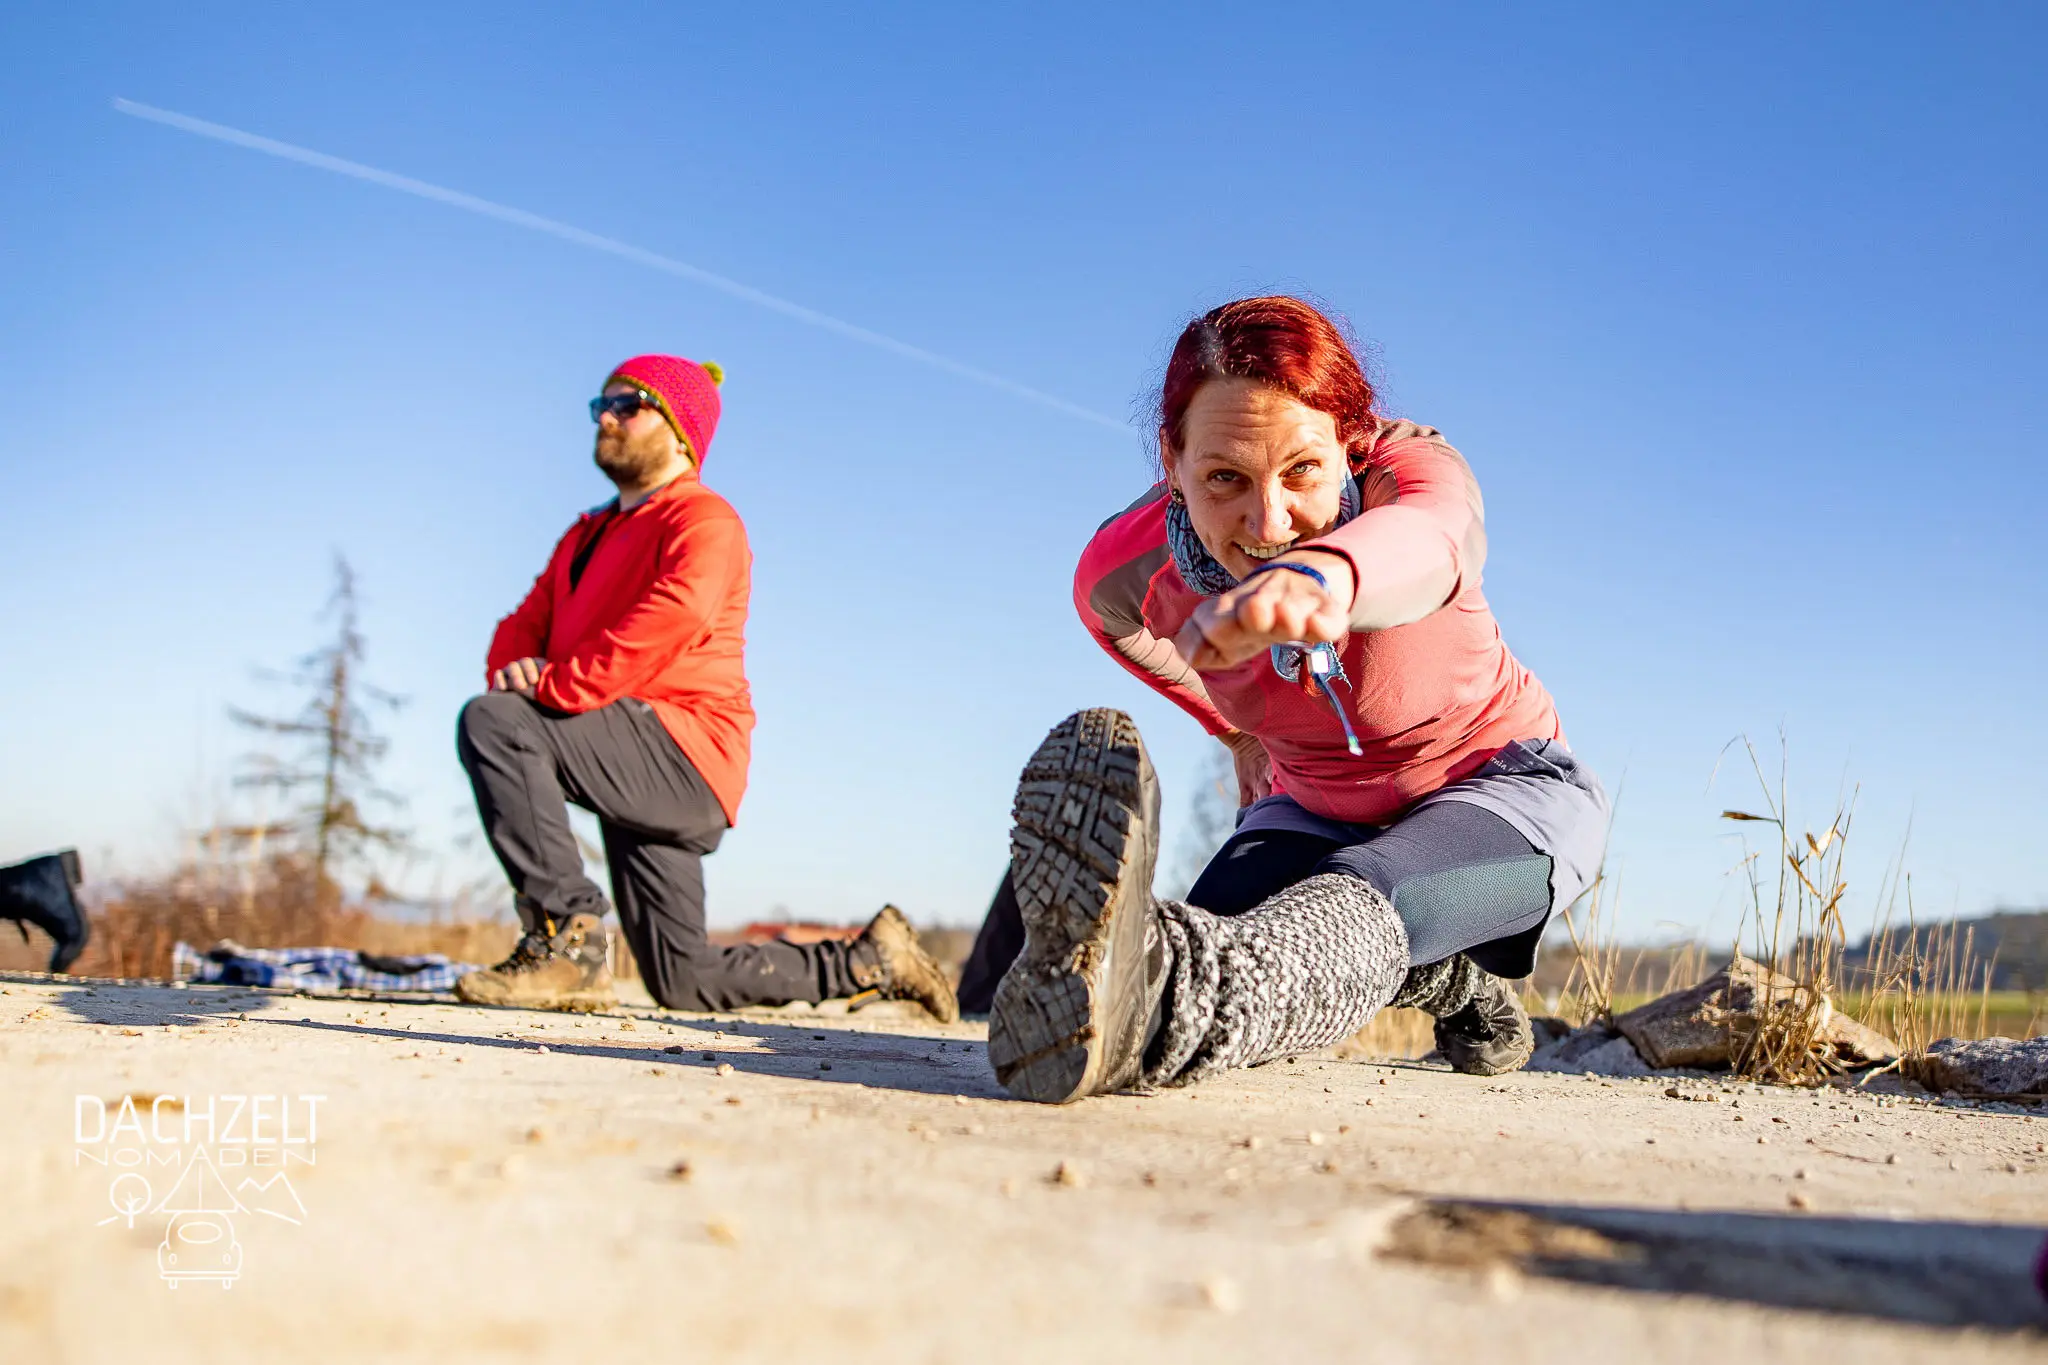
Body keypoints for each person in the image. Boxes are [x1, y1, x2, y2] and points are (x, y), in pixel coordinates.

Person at [979, 297, 1607, 1103]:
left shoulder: (1407, 474)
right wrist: (1234, 733)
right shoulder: (1130, 564)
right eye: (1224, 479)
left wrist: (1326, 577)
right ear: (1171, 460)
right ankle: (1452, 985)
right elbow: (1109, 617)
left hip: (1503, 790)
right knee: (1225, 926)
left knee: (1349, 904)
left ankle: (1165, 1009)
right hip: (1311, 805)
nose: (1270, 519)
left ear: (1347, 440)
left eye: (1303, 470)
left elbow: (1434, 538)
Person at [454, 354, 956, 1020]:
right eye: (599, 405)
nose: (606, 416)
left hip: (683, 751)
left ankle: (567, 945)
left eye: (627, 404)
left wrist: (551, 685)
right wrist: (519, 666)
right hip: (626, 745)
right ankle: (868, 960)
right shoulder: (585, 534)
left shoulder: (704, 521)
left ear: (680, 428)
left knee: (497, 722)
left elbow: (672, 617)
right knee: (684, 977)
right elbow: (524, 622)